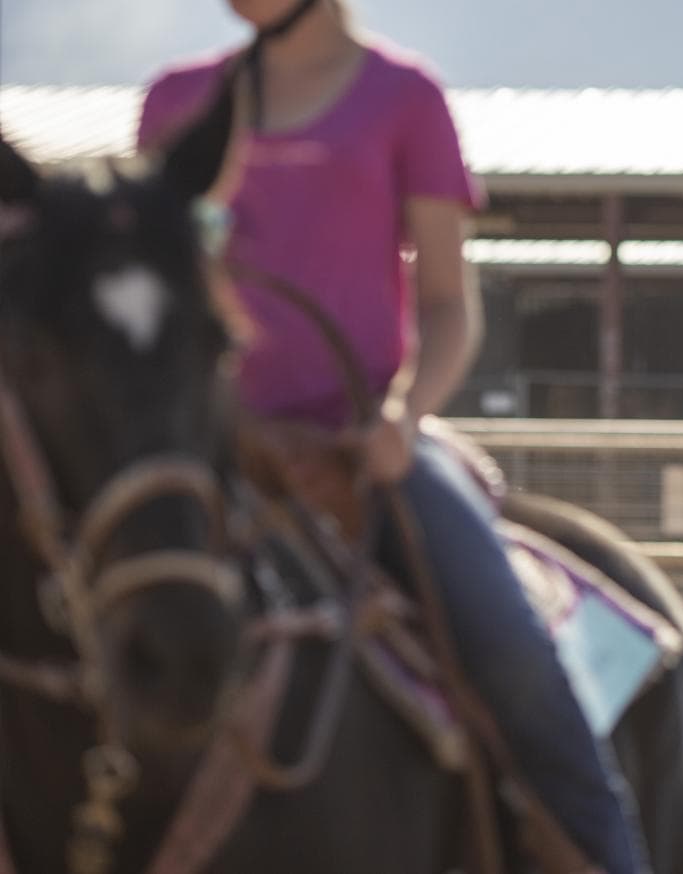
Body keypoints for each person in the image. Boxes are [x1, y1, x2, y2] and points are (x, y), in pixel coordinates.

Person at [136, 1, 647, 870]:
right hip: (209, 452)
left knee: (515, 658)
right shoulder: (177, 101)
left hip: (360, 449)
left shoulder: (405, 97)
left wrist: (403, 419)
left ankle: (605, 853)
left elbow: (449, 305)